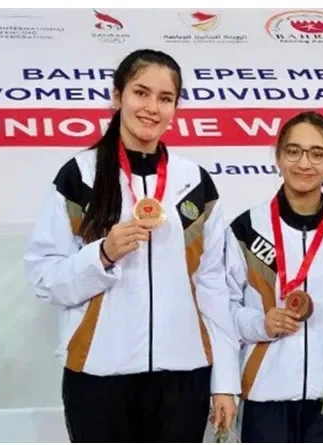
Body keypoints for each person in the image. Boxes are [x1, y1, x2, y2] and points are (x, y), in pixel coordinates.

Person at [24, 49, 239, 442]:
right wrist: (102, 255)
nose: (152, 108)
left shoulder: (195, 182)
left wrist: (225, 381)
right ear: (117, 95)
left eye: (165, 98)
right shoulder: (80, 176)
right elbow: (45, 279)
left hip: (183, 376)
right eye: (141, 93)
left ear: (175, 107)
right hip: (99, 375)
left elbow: (212, 286)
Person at [224, 111, 323, 443]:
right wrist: (261, 324)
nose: (304, 163)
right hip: (265, 393)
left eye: (317, 153)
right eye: (293, 151)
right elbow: (223, 311)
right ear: (278, 157)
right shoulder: (246, 229)